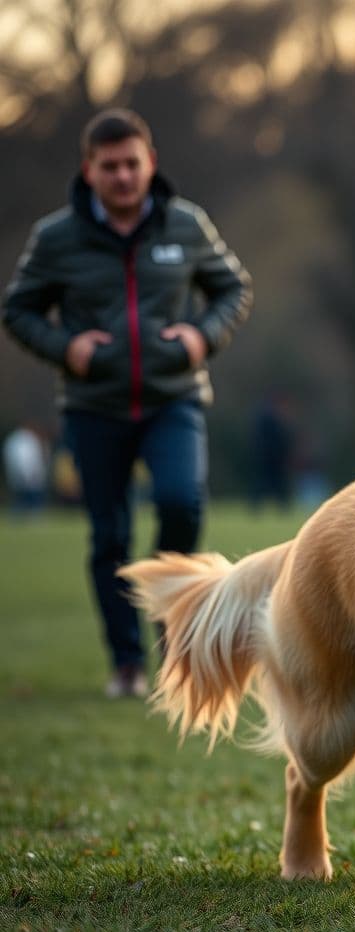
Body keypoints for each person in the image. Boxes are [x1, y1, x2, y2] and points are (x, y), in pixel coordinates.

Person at [1, 108, 252, 697]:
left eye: (131, 164)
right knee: (108, 536)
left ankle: (173, 634)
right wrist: (68, 349)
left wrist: (201, 336)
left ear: (151, 164)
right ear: (88, 171)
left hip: (174, 400)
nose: (122, 176)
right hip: (94, 407)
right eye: (109, 166)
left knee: (181, 504)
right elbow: (18, 310)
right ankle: (126, 665)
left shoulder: (186, 225)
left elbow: (233, 288)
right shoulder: (56, 238)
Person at [3, 422, 49, 515]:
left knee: (23, 498)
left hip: (19, 475)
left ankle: (22, 515)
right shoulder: (25, 440)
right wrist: (28, 473)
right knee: (28, 499)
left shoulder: (14, 439)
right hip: (27, 475)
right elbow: (26, 459)